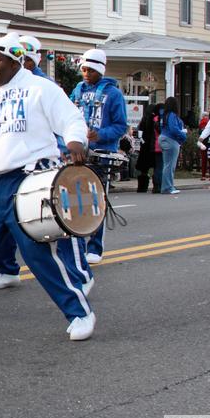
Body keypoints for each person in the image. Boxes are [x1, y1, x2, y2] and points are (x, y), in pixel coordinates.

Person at [0, 33, 96, 341]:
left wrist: (75, 140)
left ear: (15, 61)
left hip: (29, 178)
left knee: (34, 251)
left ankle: (80, 312)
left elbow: (71, 118)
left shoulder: (40, 89)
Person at [68, 48, 127, 264]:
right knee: (76, 201)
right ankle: (78, 244)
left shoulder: (114, 94)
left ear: (100, 71)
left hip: (102, 153)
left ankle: (95, 246)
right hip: (78, 153)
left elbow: (120, 126)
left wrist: (100, 135)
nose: (85, 73)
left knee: (97, 200)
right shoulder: (77, 90)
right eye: (83, 69)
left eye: (90, 70)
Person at [158, 97, 186, 195]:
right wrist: (183, 135)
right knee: (170, 165)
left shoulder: (164, 115)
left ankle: (167, 186)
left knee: (167, 164)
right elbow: (174, 128)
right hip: (171, 139)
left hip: (163, 137)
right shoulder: (172, 115)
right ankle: (168, 187)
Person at [135, 103, 161, 193]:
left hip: (144, 146)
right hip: (153, 146)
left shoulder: (144, 119)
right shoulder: (155, 119)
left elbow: (139, 131)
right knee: (156, 166)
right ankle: (156, 186)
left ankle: (142, 187)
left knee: (144, 169)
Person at [198, 111, 210, 180]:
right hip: (209, 142)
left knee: (204, 159)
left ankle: (203, 175)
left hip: (202, 142)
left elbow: (199, 133)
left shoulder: (200, 123)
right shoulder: (209, 122)